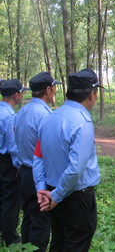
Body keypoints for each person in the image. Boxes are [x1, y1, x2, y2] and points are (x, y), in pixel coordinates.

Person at [32, 69, 102, 251]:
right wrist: (56, 196)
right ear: (92, 94)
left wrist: (42, 189)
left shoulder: (50, 118)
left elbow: (38, 156)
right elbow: (76, 168)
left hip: (53, 192)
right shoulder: (82, 122)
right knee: (75, 245)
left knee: (58, 241)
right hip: (76, 198)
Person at [14, 72, 62, 251]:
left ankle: (25, 248)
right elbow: (49, 149)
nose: (55, 91)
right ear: (48, 90)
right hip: (39, 176)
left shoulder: (22, 111)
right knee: (41, 223)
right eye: (54, 88)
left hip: (24, 172)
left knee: (28, 217)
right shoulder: (45, 115)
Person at [0, 79, 28, 246]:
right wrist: (19, 167)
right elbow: (13, 147)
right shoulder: (10, 117)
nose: (23, 96)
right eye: (22, 93)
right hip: (6, 163)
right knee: (11, 202)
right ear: (16, 95)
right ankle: (10, 239)